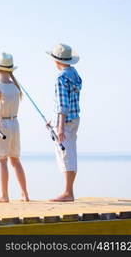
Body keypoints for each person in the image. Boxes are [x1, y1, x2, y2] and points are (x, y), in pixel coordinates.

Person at [0, 52, 29, 202]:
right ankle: (25, 194)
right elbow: (1, 106)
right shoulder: (15, 87)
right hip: (15, 124)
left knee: (2, 161)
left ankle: (4, 195)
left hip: (2, 124)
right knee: (15, 160)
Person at [46, 43, 82, 202]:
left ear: (56, 61)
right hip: (74, 119)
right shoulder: (75, 74)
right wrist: (52, 120)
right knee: (71, 152)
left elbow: (63, 105)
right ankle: (69, 191)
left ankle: (68, 192)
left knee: (65, 154)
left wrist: (59, 127)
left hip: (65, 122)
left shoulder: (61, 78)